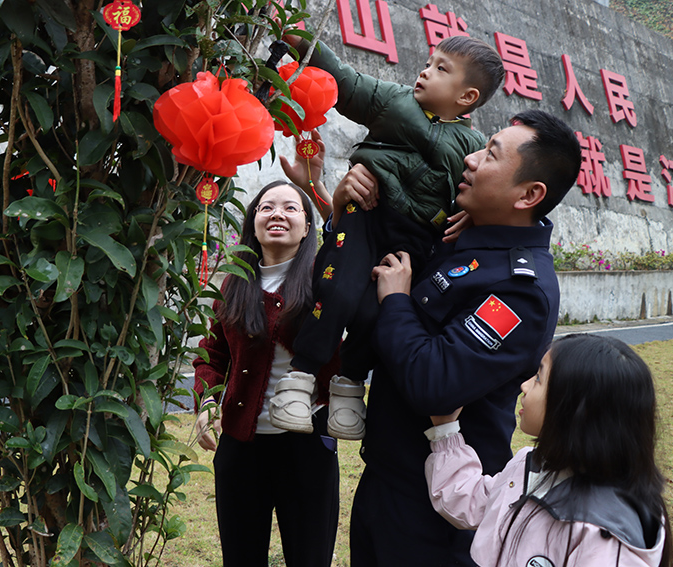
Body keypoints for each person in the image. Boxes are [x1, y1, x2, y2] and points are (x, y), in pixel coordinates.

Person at [354, 109, 583, 566]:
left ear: (529, 194)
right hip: (386, 478)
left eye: (490, 154)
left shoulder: (521, 290)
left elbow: (435, 383)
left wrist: (396, 302)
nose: (471, 160)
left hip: (436, 511)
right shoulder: (465, 235)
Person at [270, 34, 505, 440]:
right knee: (337, 290)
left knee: (373, 312)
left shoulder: (473, 147)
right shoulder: (393, 100)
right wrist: (297, 35)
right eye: (429, 62)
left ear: (467, 96)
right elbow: (342, 80)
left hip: (414, 239)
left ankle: (349, 386)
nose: (425, 70)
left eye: (440, 68)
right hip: (365, 215)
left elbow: (485, 191)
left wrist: (472, 213)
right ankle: (300, 377)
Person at [425, 334, 673, 567]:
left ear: (575, 411)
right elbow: (474, 501)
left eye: (538, 379)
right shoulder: (530, 466)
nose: (524, 386)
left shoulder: (604, 534)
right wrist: (446, 432)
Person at [192, 180, 340, 567]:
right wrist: (206, 399)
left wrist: (320, 187)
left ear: (308, 226)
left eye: (291, 208)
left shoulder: (325, 280)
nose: (277, 214)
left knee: (309, 555)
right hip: (242, 444)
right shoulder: (234, 282)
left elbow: (345, 241)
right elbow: (212, 352)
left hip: (306, 443)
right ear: (252, 222)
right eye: (266, 207)